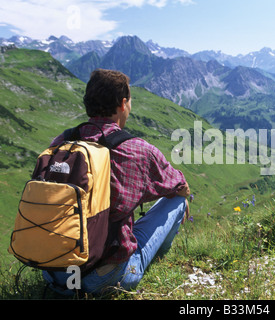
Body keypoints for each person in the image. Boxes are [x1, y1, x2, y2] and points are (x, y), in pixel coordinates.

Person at [42, 69, 190, 296]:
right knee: (178, 202)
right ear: (123, 104)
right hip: (105, 279)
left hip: (55, 272)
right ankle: (160, 260)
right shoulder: (137, 149)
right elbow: (180, 185)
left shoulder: (62, 143)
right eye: (129, 101)